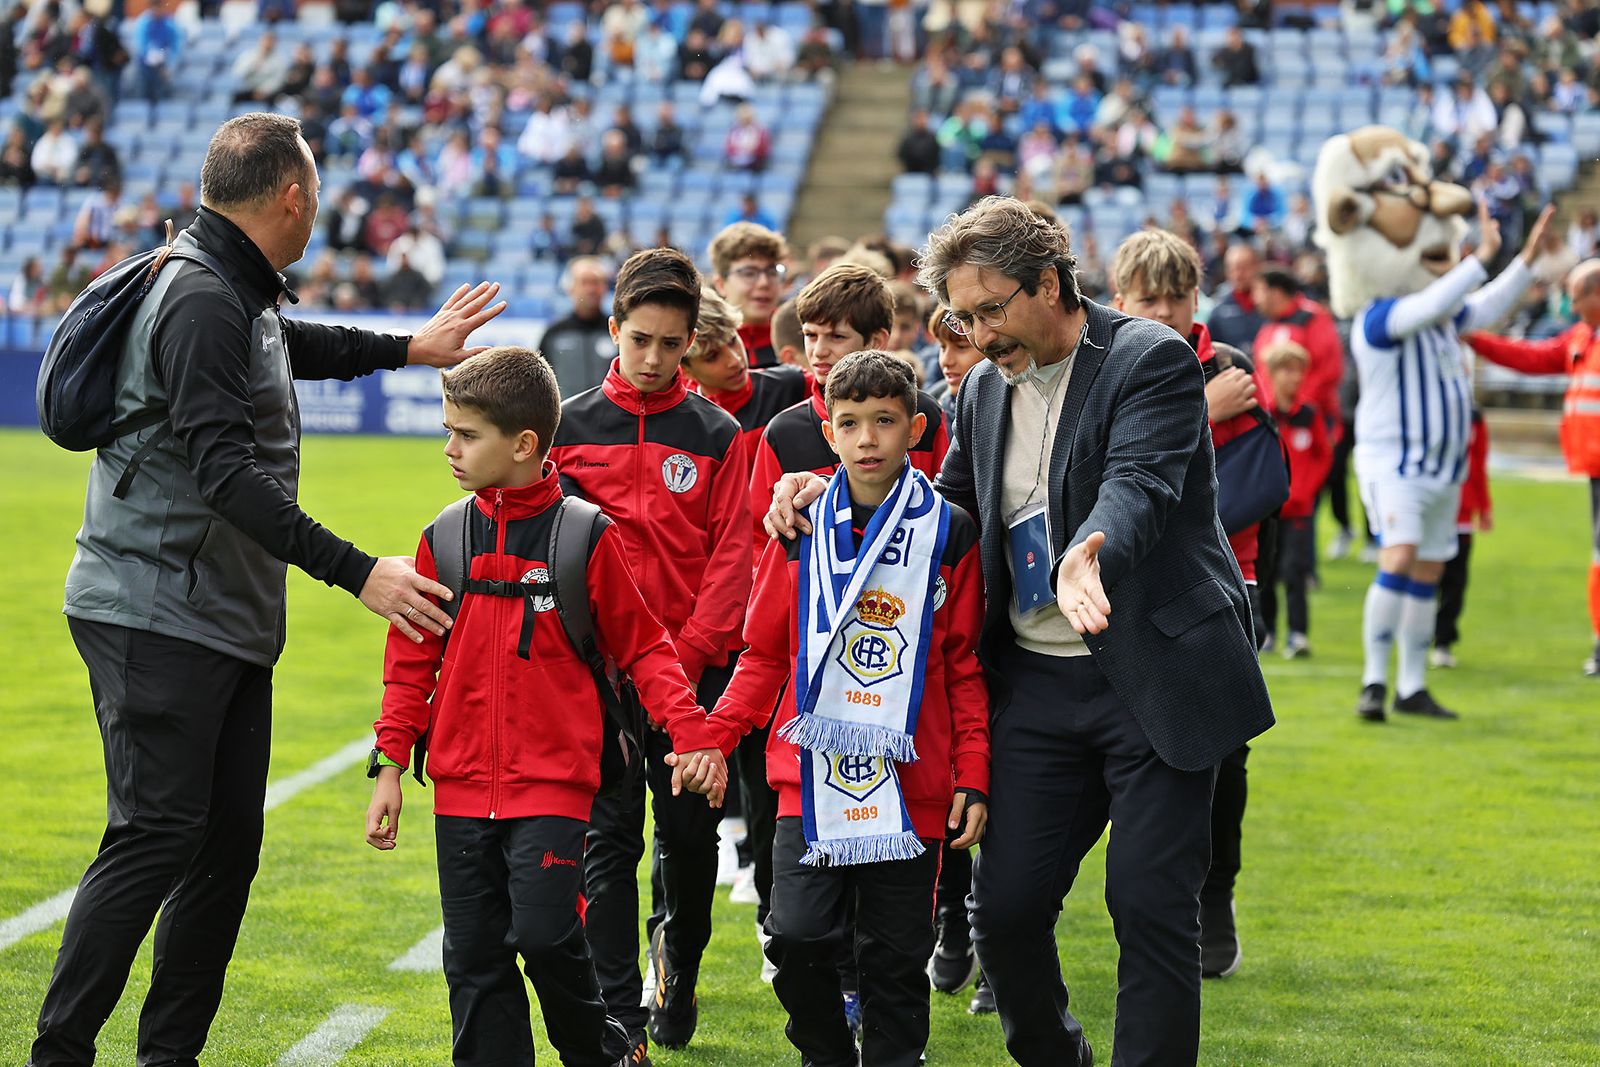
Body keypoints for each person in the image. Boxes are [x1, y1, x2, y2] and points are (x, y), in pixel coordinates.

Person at [31, 112, 506, 1066]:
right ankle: (60, 1050)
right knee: (159, 833)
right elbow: (223, 472)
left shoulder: (228, 290)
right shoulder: (204, 298)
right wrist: (358, 568)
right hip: (157, 605)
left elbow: (297, 343)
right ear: (291, 198)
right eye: (317, 198)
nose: (319, 212)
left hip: (216, 614)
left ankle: (169, 1054)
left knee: (223, 850)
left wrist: (412, 349)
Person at [765, 196, 1274, 1066]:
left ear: (1050, 283)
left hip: (1154, 669)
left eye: (990, 309)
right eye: (962, 315)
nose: (976, 331)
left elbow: (1141, 482)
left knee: (1149, 904)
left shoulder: (1147, 358)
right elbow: (950, 509)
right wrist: (829, 494)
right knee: (1000, 912)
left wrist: (1089, 551)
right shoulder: (984, 390)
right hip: (1035, 680)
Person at [365, 346, 727, 1067]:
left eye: (466, 434)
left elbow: (647, 650)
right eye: (448, 430)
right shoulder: (443, 536)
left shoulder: (583, 536)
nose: (450, 448)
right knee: (471, 959)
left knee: (543, 935)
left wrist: (692, 735)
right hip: (462, 789)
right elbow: (411, 663)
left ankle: (605, 1052)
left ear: (524, 443)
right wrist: (389, 765)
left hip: (557, 786)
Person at [701, 349, 990, 1067]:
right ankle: (825, 1052)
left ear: (916, 428)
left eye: (886, 422)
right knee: (795, 936)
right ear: (827, 431)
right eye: (851, 422)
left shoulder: (950, 532)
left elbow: (962, 667)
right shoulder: (797, 525)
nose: (868, 439)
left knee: (896, 959)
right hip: (809, 783)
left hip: (911, 788)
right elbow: (764, 653)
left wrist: (973, 774)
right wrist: (714, 735)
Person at [549, 248, 753, 1061]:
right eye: (641, 340)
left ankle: (682, 955)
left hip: (690, 676)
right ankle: (618, 1016)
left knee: (690, 842)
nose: (656, 358)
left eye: (672, 344)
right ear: (614, 330)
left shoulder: (717, 433)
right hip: (596, 677)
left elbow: (733, 558)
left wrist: (688, 657)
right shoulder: (566, 426)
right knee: (606, 843)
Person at [1107, 226, 1267, 983]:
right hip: (1122, 589)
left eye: (1179, 297)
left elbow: (1257, 484)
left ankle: (1215, 895)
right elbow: (1115, 466)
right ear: (1119, 301)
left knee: (1221, 756)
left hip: (1221, 581)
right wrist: (1205, 408)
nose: (1167, 312)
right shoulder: (1105, 366)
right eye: (1150, 299)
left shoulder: (1231, 365)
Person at [1347, 200, 1553, 721]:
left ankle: (1411, 686)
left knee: (1430, 567)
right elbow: (1434, 303)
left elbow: (1484, 306)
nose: (1442, 264)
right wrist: (1480, 258)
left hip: (1444, 467)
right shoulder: (1382, 316)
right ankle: (1373, 682)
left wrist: (1524, 260)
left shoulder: (1442, 318)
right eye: (1433, 257)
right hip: (1396, 463)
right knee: (1400, 554)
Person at [676, 284, 806, 957]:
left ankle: (776, 917)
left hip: (774, 621)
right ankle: (700, 927)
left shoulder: (782, 393)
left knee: (767, 777)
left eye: (730, 341)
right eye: (712, 351)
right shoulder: (689, 425)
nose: (732, 357)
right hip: (714, 630)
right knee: (724, 787)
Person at [747, 263, 950, 559]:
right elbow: (757, 540)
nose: (818, 351)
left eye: (836, 337)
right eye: (811, 335)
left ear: (877, 341)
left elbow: (943, 505)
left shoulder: (924, 413)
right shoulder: (782, 432)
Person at [1465, 257, 1600, 676]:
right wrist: (1474, 338)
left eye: (1576, 297)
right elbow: (1531, 357)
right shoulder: (1582, 337)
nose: (1570, 306)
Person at [1257, 340, 1333, 657]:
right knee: (1267, 572)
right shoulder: (1263, 415)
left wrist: (1306, 489)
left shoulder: (1308, 414)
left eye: (1299, 371)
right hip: (1268, 510)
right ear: (1272, 373)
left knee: (1294, 571)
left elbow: (1323, 456)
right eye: (1286, 370)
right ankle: (1269, 632)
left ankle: (1298, 635)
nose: (1294, 378)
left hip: (1299, 510)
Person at [1430, 408, 1490, 669]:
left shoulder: (1474, 419)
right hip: (1430, 509)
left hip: (1463, 514)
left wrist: (1484, 506)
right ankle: (1417, 637)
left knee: (1455, 582)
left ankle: (1443, 640)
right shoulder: (1426, 409)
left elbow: (1478, 463)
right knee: (1424, 578)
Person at [709, 221, 790, 368]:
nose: (764, 283)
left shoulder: (802, 337)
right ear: (721, 284)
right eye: (749, 273)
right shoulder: (704, 346)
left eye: (772, 272)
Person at [539, 257, 613, 399]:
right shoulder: (554, 333)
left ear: (604, 288)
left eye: (596, 283)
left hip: (610, 417)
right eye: (585, 282)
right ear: (570, 288)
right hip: (566, 418)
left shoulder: (617, 331)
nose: (591, 289)